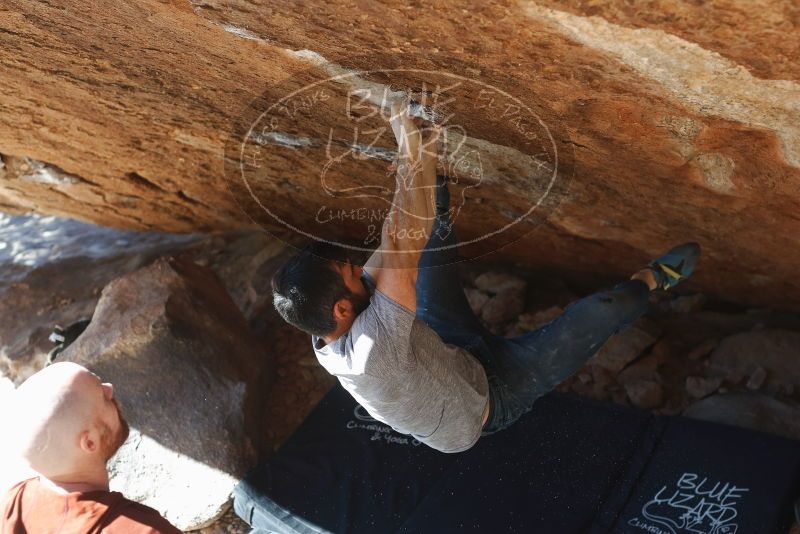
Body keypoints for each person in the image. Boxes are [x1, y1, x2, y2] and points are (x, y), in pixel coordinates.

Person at [271, 97, 700, 453]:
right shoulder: (371, 353)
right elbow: (404, 239)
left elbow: (392, 239)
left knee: (428, 231)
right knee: (608, 309)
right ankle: (653, 279)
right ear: (342, 309)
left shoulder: (331, 319)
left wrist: (417, 158)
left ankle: (431, 161)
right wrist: (403, 131)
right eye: (350, 272)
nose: (358, 269)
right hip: (494, 399)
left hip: (447, 346)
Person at [1, 362, 181, 533]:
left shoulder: (12, 505)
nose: (109, 388)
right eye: (102, 397)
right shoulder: (142, 529)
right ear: (89, 443)